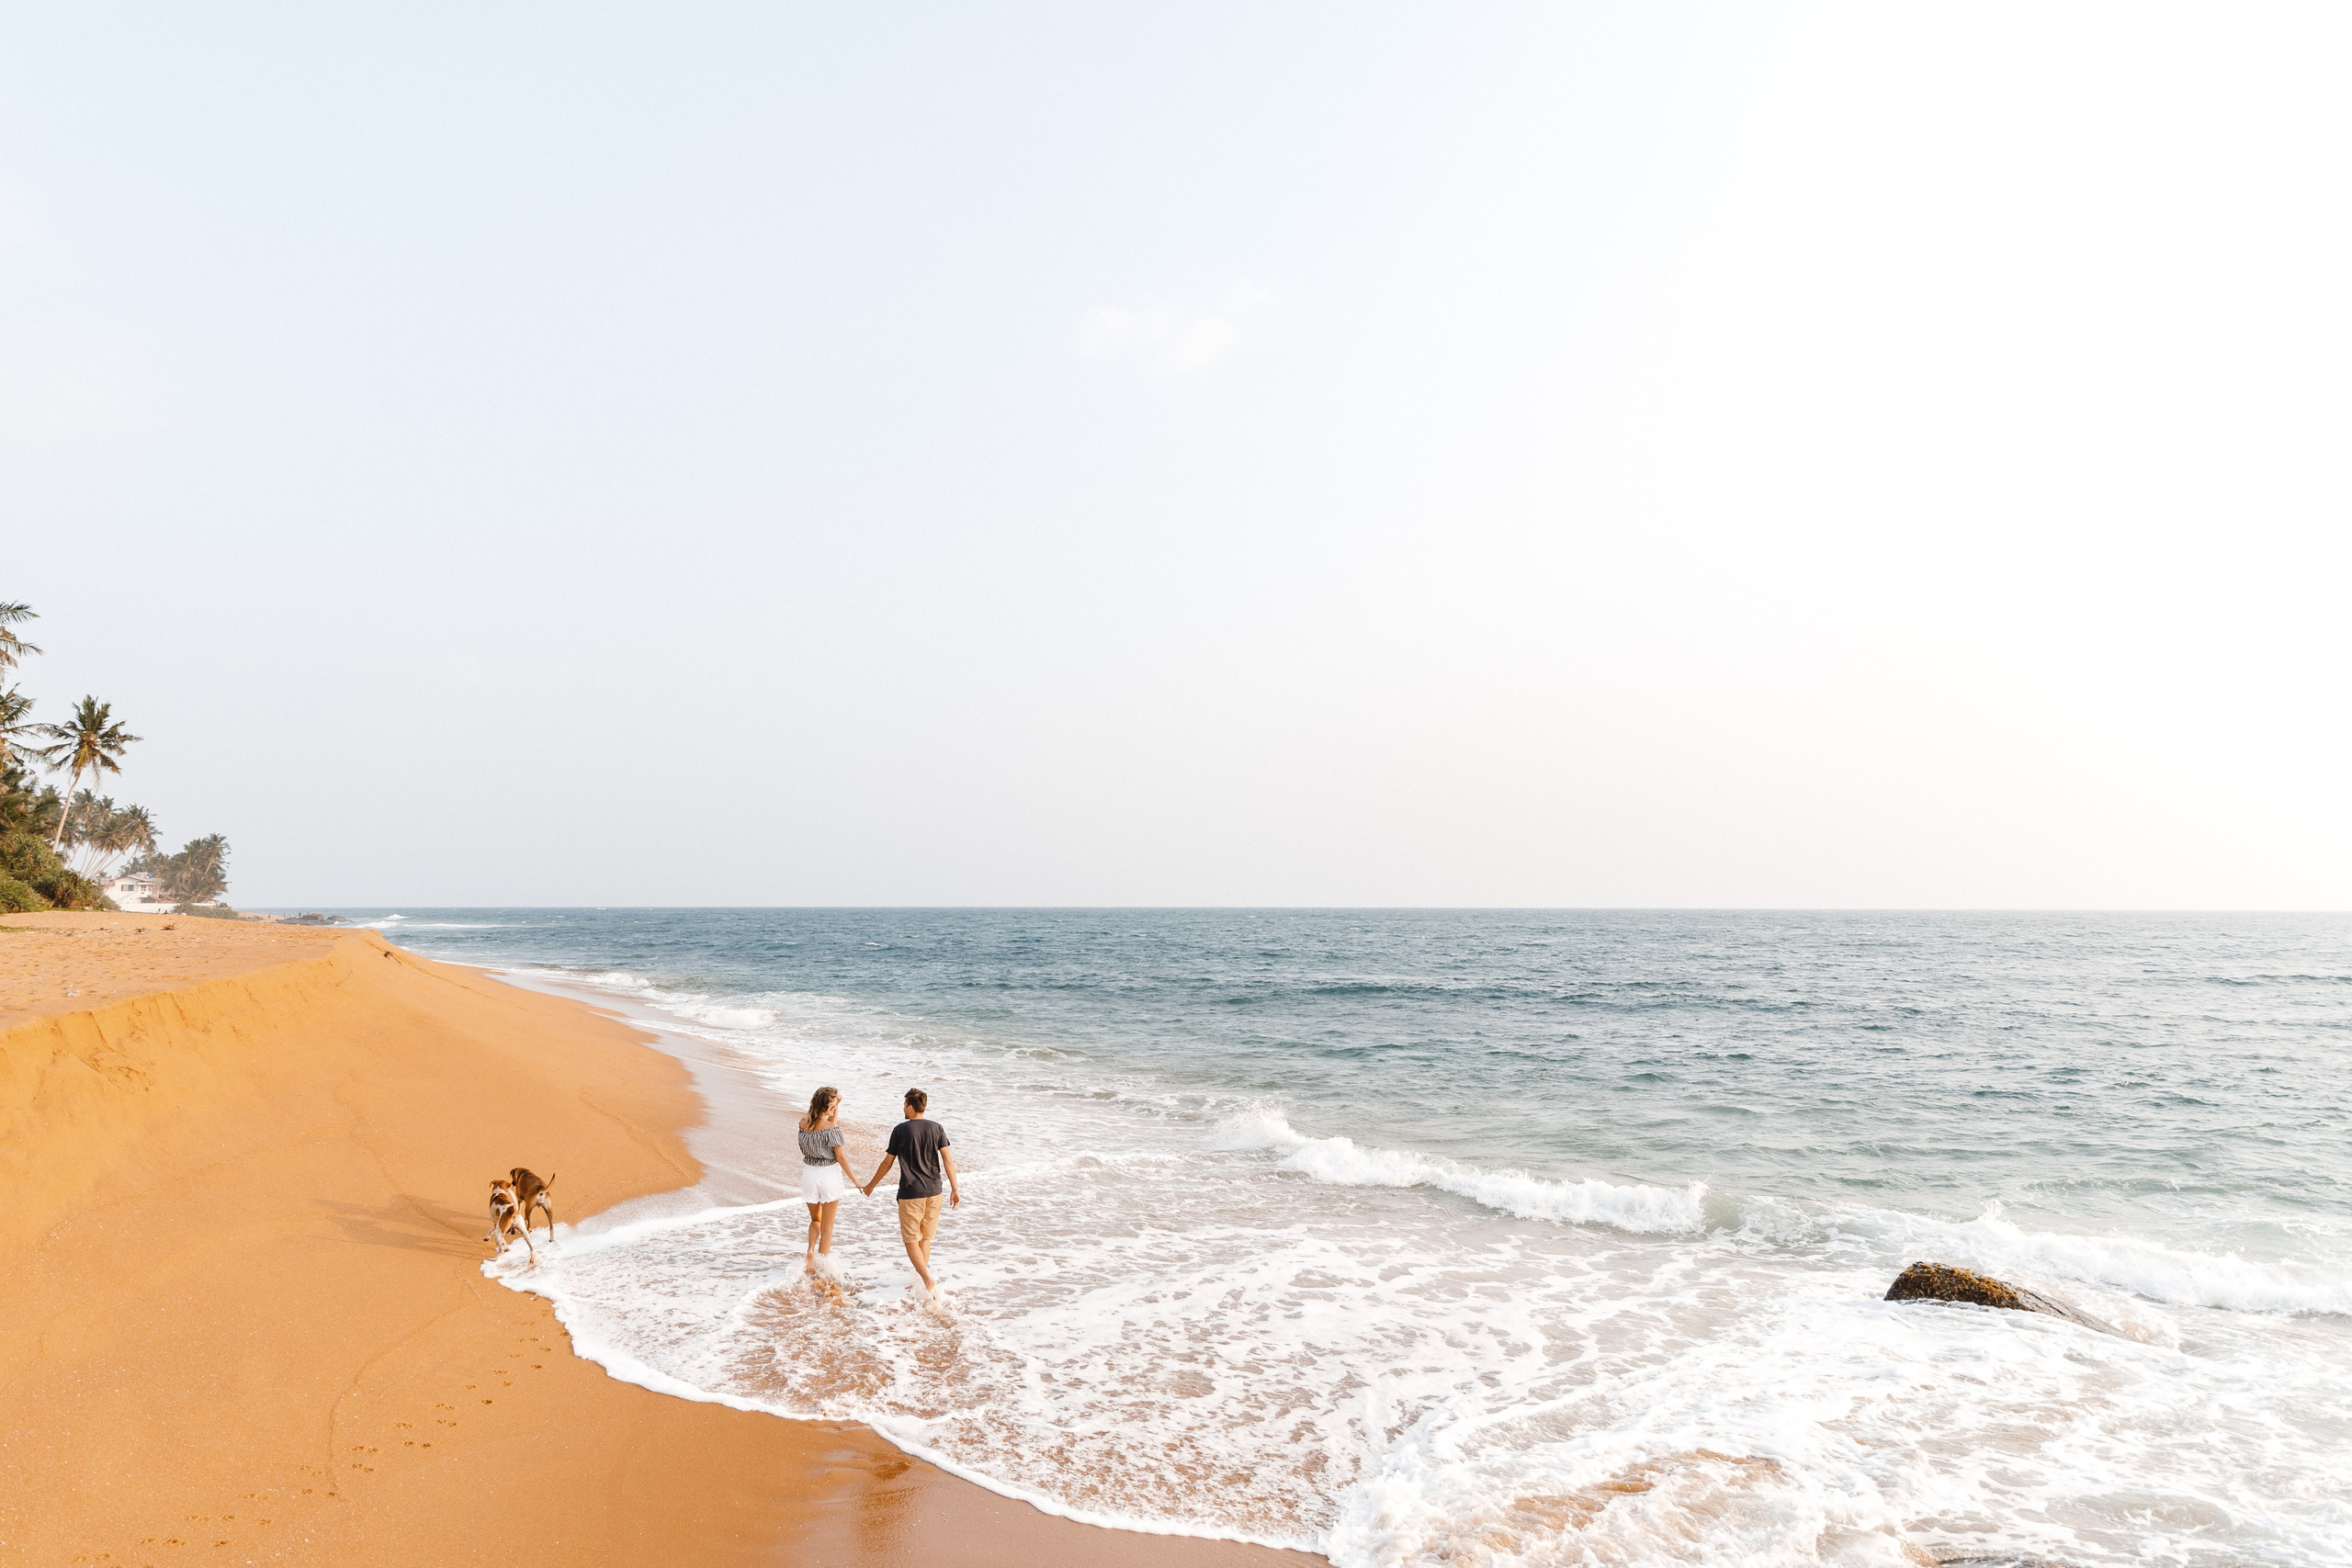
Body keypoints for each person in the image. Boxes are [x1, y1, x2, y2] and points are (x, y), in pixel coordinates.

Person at [863, 1087, 959, 1295]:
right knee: (925, 1238)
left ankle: (926, 1278)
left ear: (909, 1107)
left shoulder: (901, 1130)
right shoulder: (937, 1128)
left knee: (911, 1240)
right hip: (935, 1191)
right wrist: (955, 1188)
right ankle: (922, 1283)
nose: (903, 1108)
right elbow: (948, 1160)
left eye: (904, 1104)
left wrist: (871, 1185)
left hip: (911, 1192)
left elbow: (887, 1162)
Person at [797, 1086, 865, 1275]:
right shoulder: (832, 1129)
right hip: (829, 1176)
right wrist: (856, 1181)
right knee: (828, 1228)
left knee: (815, 1220)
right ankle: (822, 1269)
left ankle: (810, 1250)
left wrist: (837, 1106)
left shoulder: (803, 1123)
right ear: (828, 1106)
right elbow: (840, 1157)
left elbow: (827, 1123)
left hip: (810, 1175)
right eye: (833, 1104)